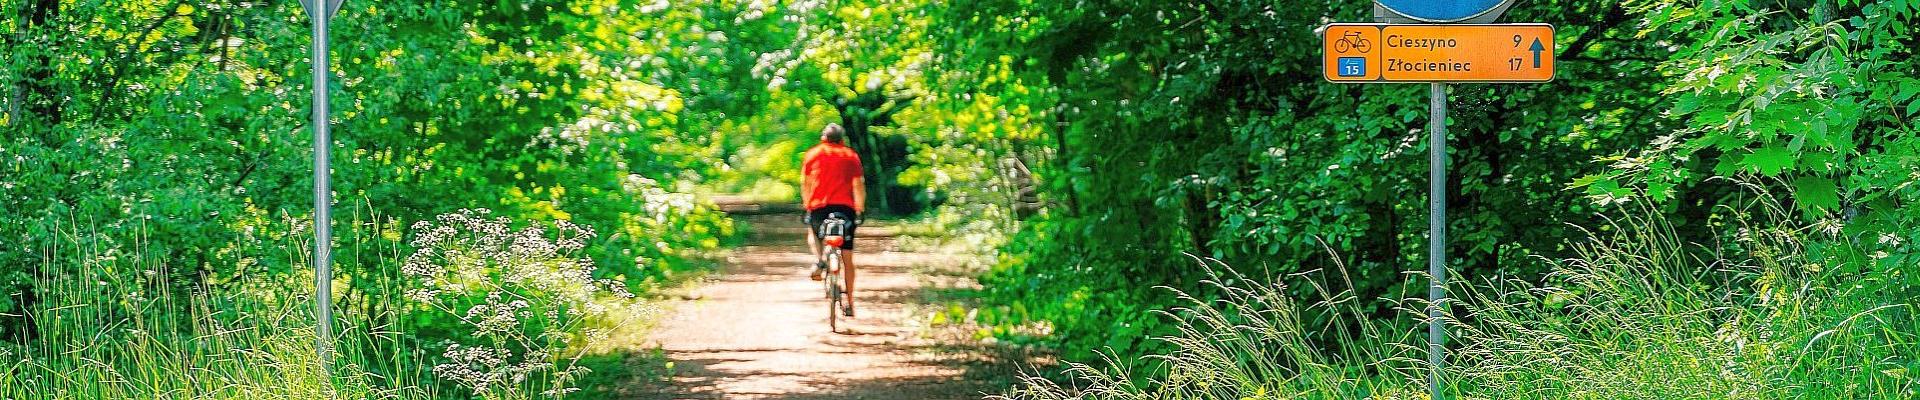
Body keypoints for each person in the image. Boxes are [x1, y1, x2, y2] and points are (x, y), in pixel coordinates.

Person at [802, 123, 865, 317]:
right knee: (847, 257)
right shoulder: (850, 155)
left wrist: (807, 204)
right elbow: (858, 185)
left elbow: (806, 182)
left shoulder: (813, 154)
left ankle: (821, 260)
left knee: (814, 234)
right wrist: (860, 208)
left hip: (819, 207)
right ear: (842, 139)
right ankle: (850, 302)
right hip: (845, 209)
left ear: (823, 138)